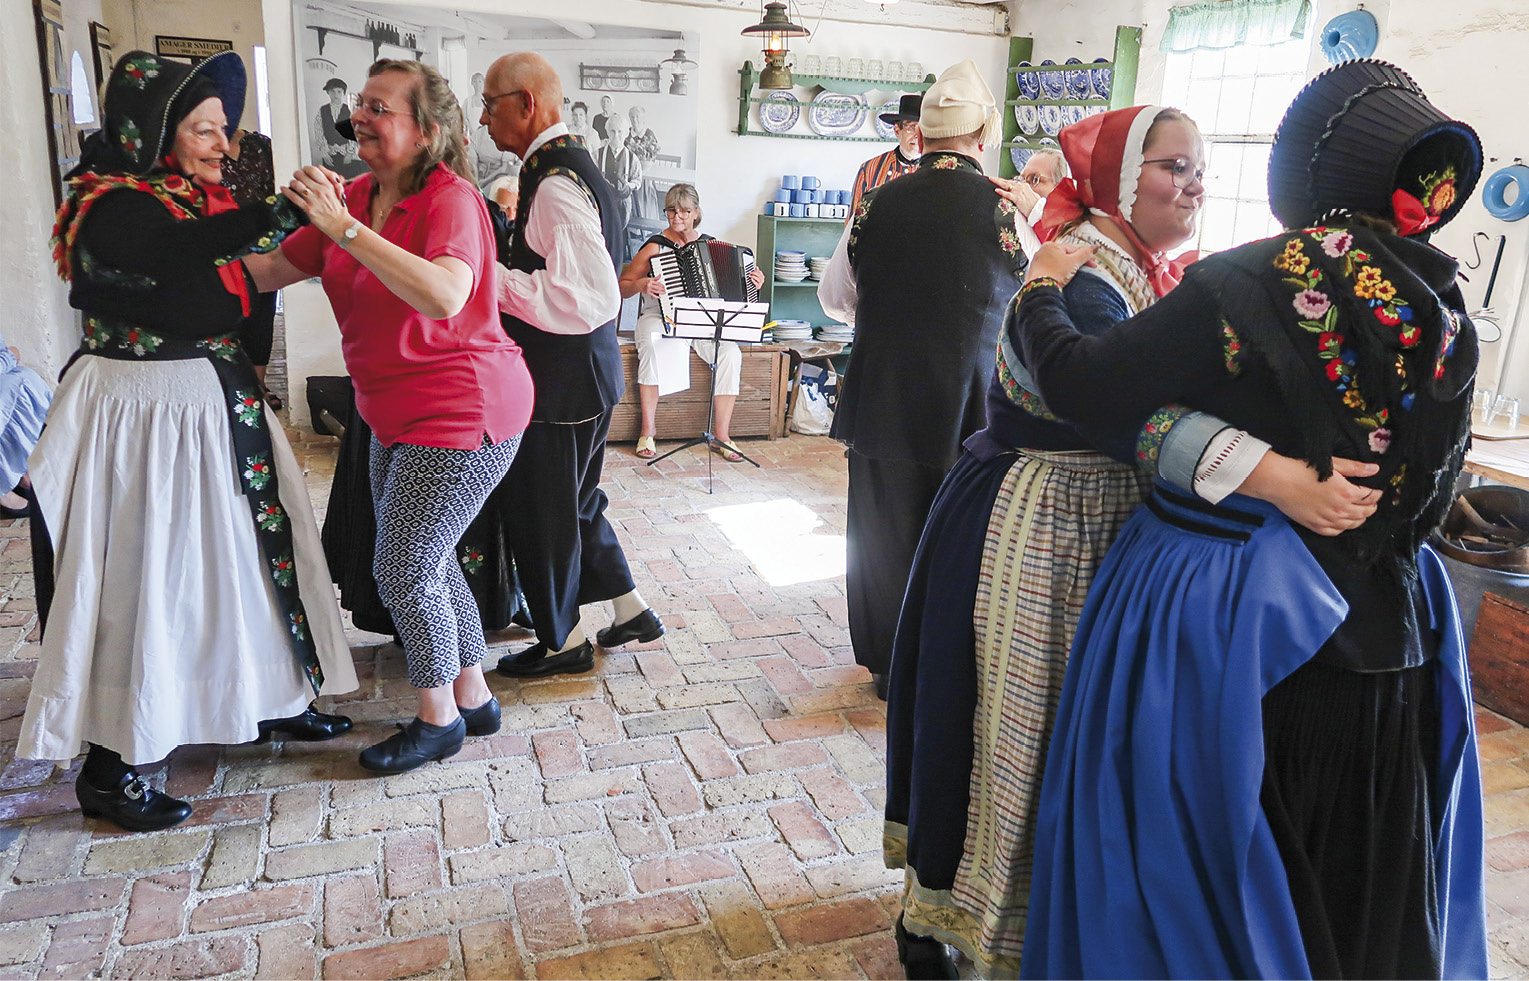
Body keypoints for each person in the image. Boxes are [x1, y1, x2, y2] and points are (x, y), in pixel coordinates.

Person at [882, 102, 1384, 979]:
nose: (1190, 184)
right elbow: (1117, 410)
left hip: (1100, 511)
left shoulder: (1139, 265)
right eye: (1169, 165)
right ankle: (968, 919)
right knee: (1019, 728)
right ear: (1119, 174)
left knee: (1068, 731)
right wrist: (1272, 476)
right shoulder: (1081, 268)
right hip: (1043, 515)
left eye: (1197, 168)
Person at [1019, 61, 1487, 979]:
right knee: (1365, 863)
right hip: (1397, 633)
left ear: (1305, 174)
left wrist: (1039, 291)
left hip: (1249, 625)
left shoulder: (1248, 282)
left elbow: (1080, 387)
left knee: (1235, 849)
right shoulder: (1441, 301)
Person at [18, 50, 357, 832]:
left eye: (225, 131)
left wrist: (336, 236)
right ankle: (112, 765)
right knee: (147, 577)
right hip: (145, 421)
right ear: (152, 132)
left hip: (205, 406)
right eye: (205, 130)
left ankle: (268, 698)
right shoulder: (112, 207)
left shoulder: (183, 200)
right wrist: (285, 210)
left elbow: (239, 277)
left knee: (236, 565)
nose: (222, 146)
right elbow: (176, 259)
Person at [246, 58, 534, 776]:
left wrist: (344, 230)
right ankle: (472, 696)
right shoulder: (355, 196)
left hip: (465, 407)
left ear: (427, 132)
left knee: (403, 567)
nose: (362, 117)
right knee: (428, 559)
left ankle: (437, 719)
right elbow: (265, 273)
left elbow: (443, 294)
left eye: (381, 107)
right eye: (362, 105)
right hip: (392, 409)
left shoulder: (451, 200)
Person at [817, 60, 1025, 698]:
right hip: (971, 407)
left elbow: (834, 299)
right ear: (981, 137)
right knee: (964, 536)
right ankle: (947, 666)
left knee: (882, 532)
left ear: (924, 136)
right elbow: (1031, 304)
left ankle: (887, 665)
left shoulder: (874, 206)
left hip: (883, 396)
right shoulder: (1008, 211)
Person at [480, 52, 665, 679]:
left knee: (545, 511)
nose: (482, 119)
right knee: (578, 504)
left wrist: (490, 280)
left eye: (490, 103)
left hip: (563, 382)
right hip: (586, 374)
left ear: (526, 104)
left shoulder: (556, 184)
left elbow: (588, 296)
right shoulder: (567, 169)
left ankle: (562, 643)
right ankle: (630, 608)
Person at [619, 183, 765, 461]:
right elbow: (623, 286)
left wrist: (756, 281)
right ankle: (647, 430)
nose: (677, 218)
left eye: (684, 212)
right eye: (671, 211)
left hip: (701, 319)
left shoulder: (710, 245)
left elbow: (742, 285)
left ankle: (722, 436)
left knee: (730, 354)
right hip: (659, 315)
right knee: (650, 342)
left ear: (696, 212)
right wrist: (641, 284)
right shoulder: (654, 246)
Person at [220, 126, 281, 408]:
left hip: (261, 243)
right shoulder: (200, 145)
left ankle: (257, 387)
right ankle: (231, 384)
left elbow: (274, 192)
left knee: (261, 315)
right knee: (227, 314)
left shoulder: (260, 145)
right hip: (218, 245)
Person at [848, 93, 921, 214]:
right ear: (897, 130)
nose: (917, 135)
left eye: (922, 128)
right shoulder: (869, 169)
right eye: (911, 127)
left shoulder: (939, 170)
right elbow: (853, 220)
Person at [597, 111, 642, 234]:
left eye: (620, 131)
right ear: (607, 132)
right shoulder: (598, 154)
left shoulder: (632, 158)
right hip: (602, 201)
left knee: (619, 234)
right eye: (612, 131)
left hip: (622, 204)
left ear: (626, 133)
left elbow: (637, 181)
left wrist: (629, 185)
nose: (616, 135)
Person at [312, 77, 365, 179]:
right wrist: (325, 152)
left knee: (349, 181)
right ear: (328, 93)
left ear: (343, 93)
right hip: (330, 155)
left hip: (347, 154)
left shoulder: (350, 110)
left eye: (339, 92)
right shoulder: (323, 110)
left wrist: (350, 153)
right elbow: (319, 131)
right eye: (332, 91)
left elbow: (355, 131)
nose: (336, 95)